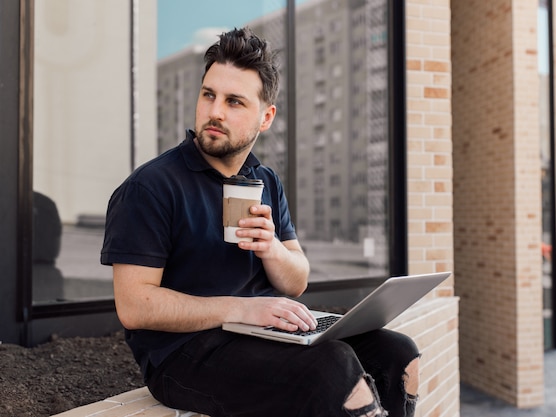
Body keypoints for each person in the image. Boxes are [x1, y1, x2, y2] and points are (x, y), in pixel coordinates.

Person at [101, 27, 420, 417]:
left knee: (398, 352)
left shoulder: (264, 181)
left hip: (258, 334)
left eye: (234, 101)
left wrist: (272, 249)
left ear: (265, 117)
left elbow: (296, 281)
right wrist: (242, 309)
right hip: (183, 355)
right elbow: (135, 306)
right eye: (208, 95)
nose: (215, 112)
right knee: (332, 366)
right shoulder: (151, 186)